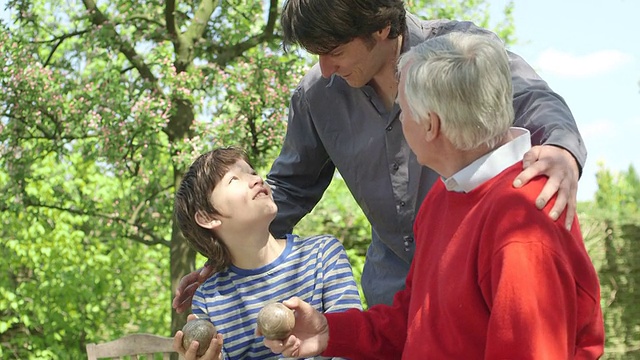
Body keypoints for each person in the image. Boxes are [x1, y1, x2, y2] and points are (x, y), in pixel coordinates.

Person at [173, 0, 587, 310]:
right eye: (315, 53)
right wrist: (227, 254)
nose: (326, 68)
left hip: (481, 284)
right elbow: (289, 189)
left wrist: (561, 150)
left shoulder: (460, 53)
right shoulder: (316, 95)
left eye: (333, 49)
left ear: (383, 26)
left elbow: (536, 100)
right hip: (394, 301)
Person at [262, 32, 604, 359]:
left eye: (402, 110)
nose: (398, 121)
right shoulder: (444, 196)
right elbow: (414, 321)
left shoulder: (523, 226)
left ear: (430, 125)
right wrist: (329, 332)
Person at [172, 147, 362, 360]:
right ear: (207, 217)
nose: (256, 179)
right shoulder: (208, 299)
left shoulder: (323, 255)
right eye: (234, 179)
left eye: (252, 172)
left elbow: (351, 347)